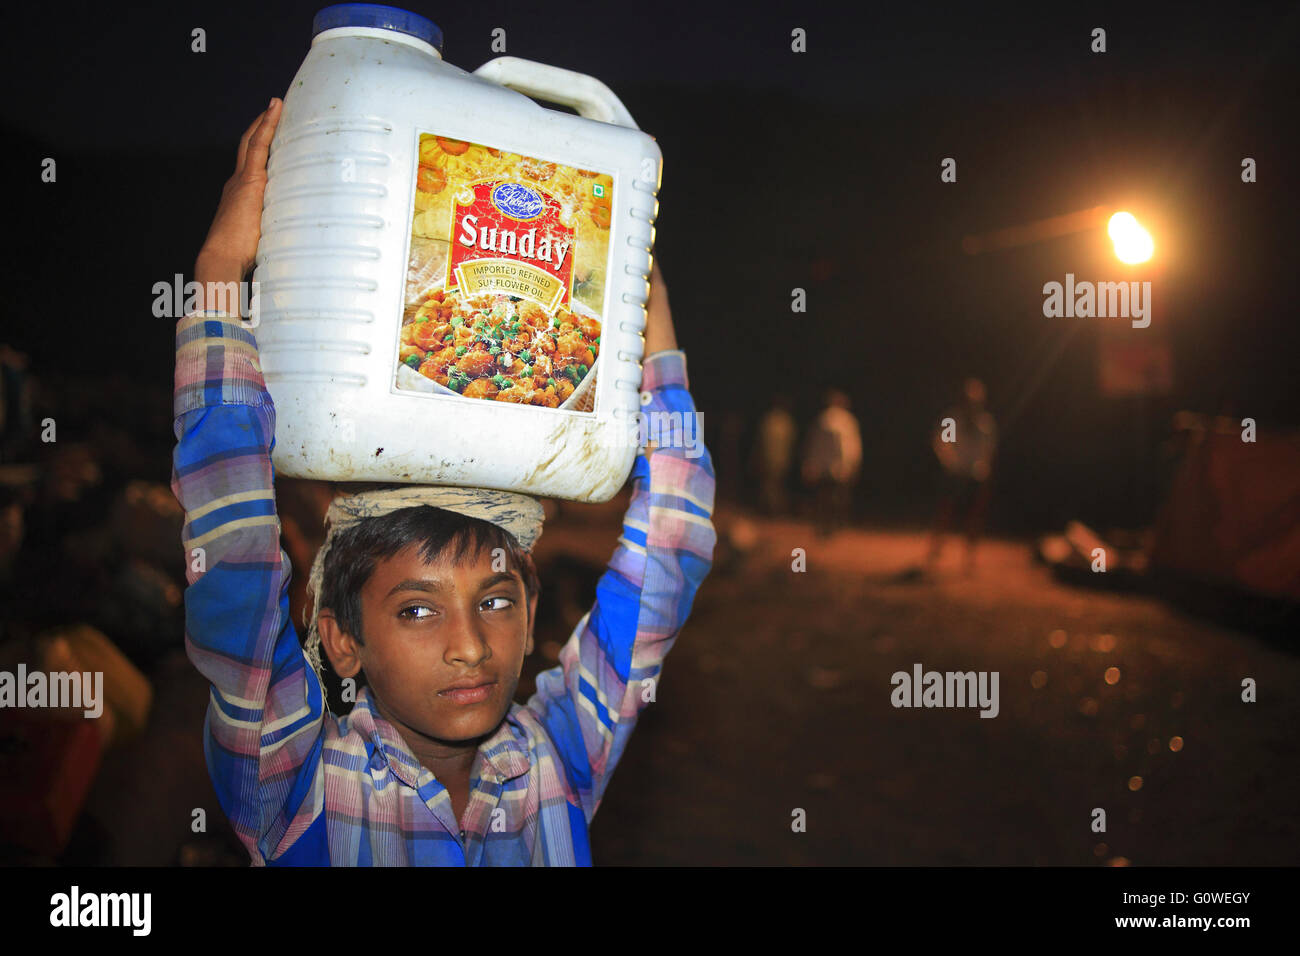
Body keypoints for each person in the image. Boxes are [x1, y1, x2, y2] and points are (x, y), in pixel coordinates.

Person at [172, 98, 716, 866]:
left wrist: (648, 328)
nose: (470, 646)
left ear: (532, 622)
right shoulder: (295, 784)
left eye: (495, 601)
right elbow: (234, 570)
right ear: (341, 640)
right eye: (418, 610)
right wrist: (220, 274)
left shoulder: (556, 760)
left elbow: (667, 555)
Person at [926, 377, 996, 575]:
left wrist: (985, 470)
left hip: (975, 476)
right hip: (955, 475)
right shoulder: (953, 420)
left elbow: (989, 450)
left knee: (973, 518)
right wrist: (949, 463)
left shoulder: (985, 424)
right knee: (945, 512)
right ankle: (936, 549)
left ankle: (969, 557)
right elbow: (942, 443)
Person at [801, 389, 862, 536]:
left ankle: (824, 525)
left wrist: (811, 463)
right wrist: (852, 464)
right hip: (839, 467)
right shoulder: (847, 421)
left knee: (824, 497)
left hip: (823, 466)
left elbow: (814, 444)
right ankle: (834, 525)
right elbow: (851, 446)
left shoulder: (822, 419)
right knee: (837, 497)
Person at [754, 395, 796, 515]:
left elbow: (760, 441)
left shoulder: (769, 420)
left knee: (770, 486)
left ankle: (771, 510)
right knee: (776, 486)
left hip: (769, 458)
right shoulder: (787, 422)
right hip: (782, 459)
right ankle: (773, 510)